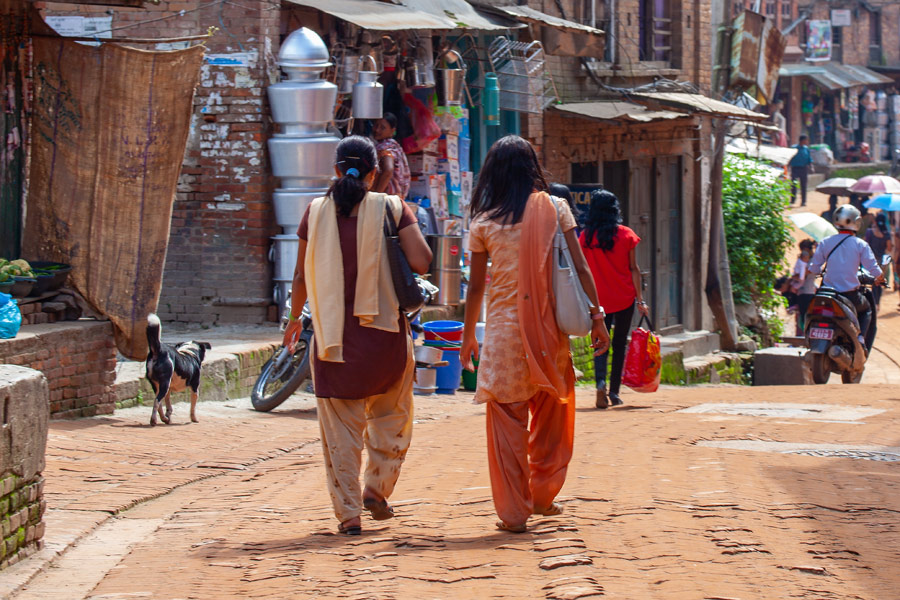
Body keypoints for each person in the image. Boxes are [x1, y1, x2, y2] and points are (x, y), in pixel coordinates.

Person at [459, 135, 610, 534]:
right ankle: (542, 493)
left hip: (503, 336)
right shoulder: (555, 208)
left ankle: (513, 512)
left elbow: (476, 289)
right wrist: (597, 317)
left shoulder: (484, 222)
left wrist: (467, 337)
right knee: (551, 414)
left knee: (507, 424)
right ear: (532, 169)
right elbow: (579, 268)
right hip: (547, 335)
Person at [283, 135, 432, 536]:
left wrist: (295, 319)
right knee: (392, 417)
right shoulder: (393, 208)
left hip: (333, 341)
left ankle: (349, 513)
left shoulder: (313, 213)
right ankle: (377, 489)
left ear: (335, 170)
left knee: (339, 433)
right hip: (385, 341)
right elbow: (422, 261)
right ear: (372, 173)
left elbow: (299, 277)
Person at [579, 189, 650, 409]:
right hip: (624, 296)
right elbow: (634, 268)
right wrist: (640, 299)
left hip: (597, 299)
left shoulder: (585, 237)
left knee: (600, 341)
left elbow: (582, 269)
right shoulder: (626, 235)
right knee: (619, 343)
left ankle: (599, 381)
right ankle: (615, 392)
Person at [808, 204, 884, 348]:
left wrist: (820, 272)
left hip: (826, 293)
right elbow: (872, 267)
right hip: (849, 296)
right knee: (867, 309)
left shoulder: (825, 242)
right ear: (856, 222)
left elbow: (814, 268)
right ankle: (860, 338)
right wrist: (880, 278)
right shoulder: (860, 244)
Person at [372, 112, 411, 200]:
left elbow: (388, 170)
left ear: (392, 130)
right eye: (376, 125)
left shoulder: (386, 147)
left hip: (386, 199)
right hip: (397, 199)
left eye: (383, 128)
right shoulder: (395, 146)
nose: (377, 130)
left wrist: (376, 195)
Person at [865, 212, 893, 310]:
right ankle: (877, 304)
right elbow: (889, 249)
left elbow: (865, 246)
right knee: (879, 284)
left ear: (876, 222)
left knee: (873, 283)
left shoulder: (869, 232)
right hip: (882, 262)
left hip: (870, 261)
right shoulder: (886, 235)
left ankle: (873, 303)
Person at [791, 239, 818, 334]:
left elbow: (805, 273)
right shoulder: (806, 260)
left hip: (808, 291)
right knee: (802, 315)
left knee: (806, 315)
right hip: (802, 291)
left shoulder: (813, 261)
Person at [789, 135, 812, 206]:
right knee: (794, 185)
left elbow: (809, 158)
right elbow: (790, 157)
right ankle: (792, 200)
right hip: (795, 168)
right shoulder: (793, 148)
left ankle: (803, 201)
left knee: (803, 185)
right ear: (802, 140)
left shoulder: (806, 149)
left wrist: (811, 166)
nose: (807, 142)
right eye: (806, 140)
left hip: (804, 168)